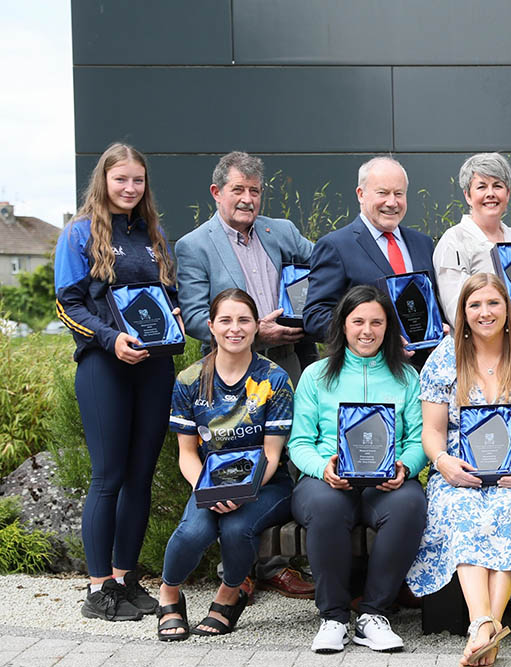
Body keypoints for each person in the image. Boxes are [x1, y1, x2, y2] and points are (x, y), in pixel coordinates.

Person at [174, 150, 315, 602]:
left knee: (286, 458)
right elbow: (196, 316)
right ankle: (239, 570)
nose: (247, 198)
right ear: (217, 192)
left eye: (255, 190)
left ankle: (276, 564)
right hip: (227, 375)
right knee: (233, 455)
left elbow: (322, 271)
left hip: (288, 364)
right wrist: (253, 331)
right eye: (238, 189)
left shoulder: (283, 232)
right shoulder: (194, 245)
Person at [54, 142, 178, 622]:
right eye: (121, 179)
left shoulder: (154, 234)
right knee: (108, 477)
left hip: (154, 366)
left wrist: (179, 318)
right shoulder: (79, 234)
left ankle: (126, 579)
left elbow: (166, 298)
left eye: (138, 180)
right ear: (103, 181)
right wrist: (110, 339)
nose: (130, 188)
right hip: (105, 365)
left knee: (140, 477)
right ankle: (98, 587)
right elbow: (68, 304)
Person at [408, 273, 511, 667]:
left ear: (508, 311)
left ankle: (483, 628)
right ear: (463, 313)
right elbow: (433, 432)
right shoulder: (443, 359)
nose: (485, 312)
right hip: (458, 473)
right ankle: (486, 625)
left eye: (493, 303)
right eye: (475, 305)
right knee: (462, 510)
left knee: (506, 510)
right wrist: (442, 462)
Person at [288, 286, 428, 654]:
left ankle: (373, 615)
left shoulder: (407, 378)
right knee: (326, 507)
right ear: (343, 326)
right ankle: (333, 617)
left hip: (386, 483)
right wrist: (322, 467)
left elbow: (418, 439)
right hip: (328, 481)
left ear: (388, 328)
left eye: (377, 322)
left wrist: (407, 465)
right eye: (358, 321)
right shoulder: (317, 375)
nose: (367, 330)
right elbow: (299, 442)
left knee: (410, 504)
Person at [156, 289, 295, 640]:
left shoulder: (274, 379)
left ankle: (229, 594)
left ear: (256, 327)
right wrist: (209, 488)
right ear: (211, 327)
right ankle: (169, 593)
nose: (235, 328)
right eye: (226, 320)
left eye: (244, 320)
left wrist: (242, 490)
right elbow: (186, 453)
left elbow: (273, 453)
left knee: (236, 529)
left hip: (266, 483)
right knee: (194, 531)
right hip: (207, 481)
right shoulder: (189, 380)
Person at [303, 157, 436, 343]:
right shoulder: (335, 246)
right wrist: (376, 340)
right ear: (361, 194)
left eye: (399, 193)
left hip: (423, 366)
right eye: (382, 193)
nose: (392, 202)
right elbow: (316, 316)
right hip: (368, 367)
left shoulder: (423, 243)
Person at [431, 153, 511, 345]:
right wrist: (510, 322)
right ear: (467, 195)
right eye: (481, 186)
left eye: (497, 186)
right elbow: (456, 311)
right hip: (482, 355)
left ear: (508, 193)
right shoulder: (453, 241)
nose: (490, 193)